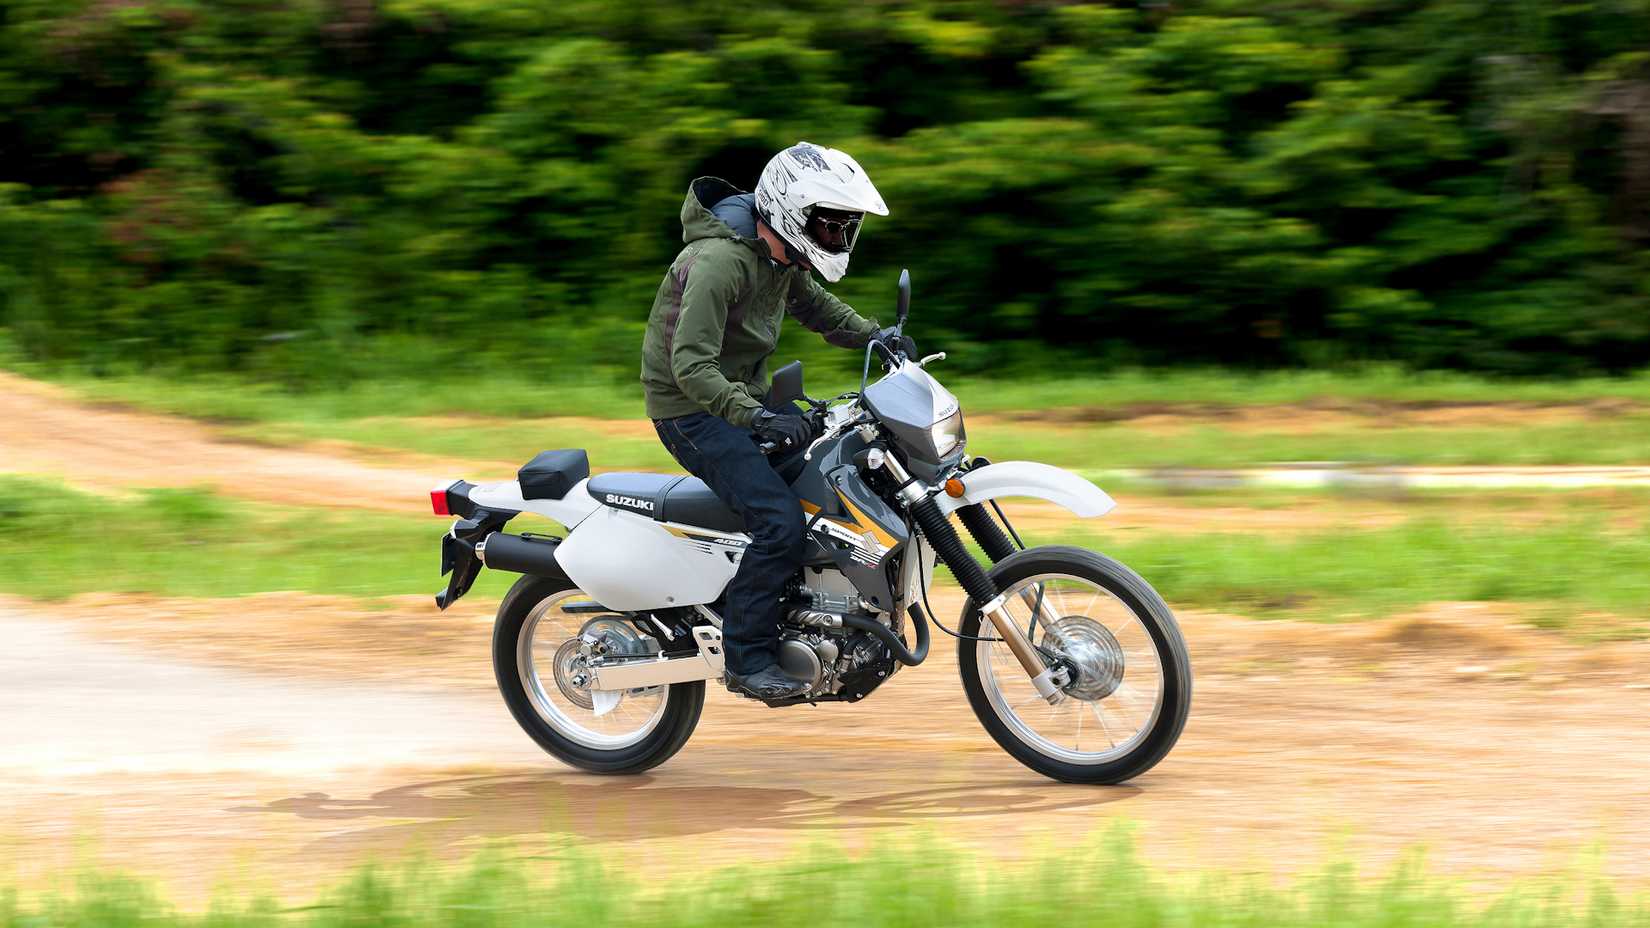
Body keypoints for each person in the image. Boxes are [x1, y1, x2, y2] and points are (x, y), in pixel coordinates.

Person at [640, 142, 916, 700]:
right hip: (691, 409)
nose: (838, 239)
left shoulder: (778, 256)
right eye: (831, 226)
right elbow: (689, 366)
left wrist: (875, 337)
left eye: (845, 229)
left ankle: (808, 611)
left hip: (742, 397)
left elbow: (817, 309)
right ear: (792, 211)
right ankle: (747, 657)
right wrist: (754, 417)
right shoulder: (721, 262)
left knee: (836, 475)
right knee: (778, 522)